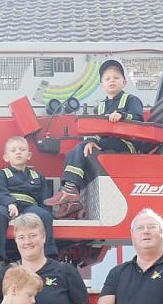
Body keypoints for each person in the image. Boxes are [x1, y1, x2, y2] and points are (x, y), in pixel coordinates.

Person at [45, 60, 144, 219]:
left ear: (124, 82)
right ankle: (72, 193)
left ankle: (69, 190)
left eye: (116, 77)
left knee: (83, 149)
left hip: (125, 145)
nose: (111, 80)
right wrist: (92, 141)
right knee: (79, 149)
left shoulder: (131, 100)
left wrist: (123, 116)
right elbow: (96, 131)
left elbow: (139, 118)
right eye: (107, 78)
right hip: (107, 145)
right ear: (101, 84)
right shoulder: (100, 107)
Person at [0, 136, 57, 274]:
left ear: (29, 155)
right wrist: (10, 203)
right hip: (7, 206)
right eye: (13, 150)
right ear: (6, 157)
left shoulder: (37, 176)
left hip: (30, 207)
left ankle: (47, 260)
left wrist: (47, 212)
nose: (18, 152)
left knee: (45, 216)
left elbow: (45, 200)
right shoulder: (2, 174)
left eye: (22, 149)